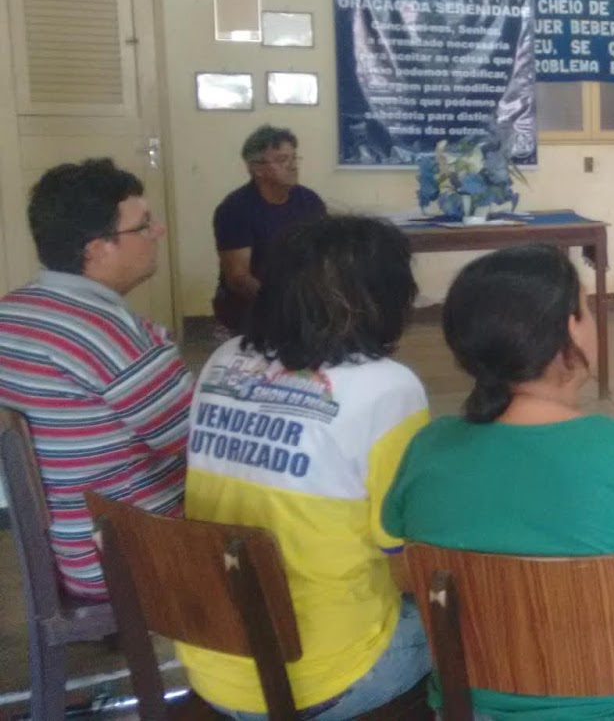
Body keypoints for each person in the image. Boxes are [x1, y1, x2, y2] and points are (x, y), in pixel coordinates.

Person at [382, 245, 614, 720]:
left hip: (477, 710)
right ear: (571, 329)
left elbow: (407, 574)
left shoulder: (429, 448)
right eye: (587, 308)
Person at [179, 215, 430, 720]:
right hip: (326, 677)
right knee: (469, 614)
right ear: (385, 297)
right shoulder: (388, 387)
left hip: (211, 664)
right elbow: (406, 554)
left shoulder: (223, 359)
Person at [0, 159, 190, 600]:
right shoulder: (113, 335)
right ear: (97, 249)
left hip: (61, 543)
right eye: (144, 225)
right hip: (120, 556)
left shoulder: (12, 312)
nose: (158, 231)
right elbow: (200, 444)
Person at [212, 125, 326, 332]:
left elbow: (323, 255)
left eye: (294, 158)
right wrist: (282, 304)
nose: (293, 166)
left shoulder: (310, 201)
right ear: (257, 169)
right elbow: (238, 278)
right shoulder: (235, 209)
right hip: (251, 307)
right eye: (283, 160)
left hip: (301, 301)